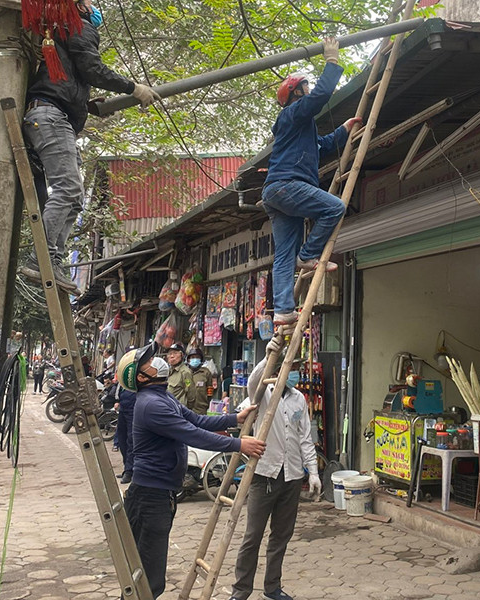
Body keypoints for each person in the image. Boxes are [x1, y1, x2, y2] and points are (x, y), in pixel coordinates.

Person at [19, 0, 161, 294]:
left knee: (75, 198)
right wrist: (134, 88)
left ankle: (52, 259)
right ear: (81, 8)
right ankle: (40, 259)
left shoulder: (60, 31)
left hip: (51, 114)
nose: (95, 7)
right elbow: (92, 68)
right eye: (91, 3)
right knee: (68, 189)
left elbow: (71, 75)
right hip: (51, 115)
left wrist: (85, 103)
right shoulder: (78, 25)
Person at [116, 342, 265, 599]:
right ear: (140, 377)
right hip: (149, 497)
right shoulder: (151, 404)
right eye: (148, 363)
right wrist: (238, 444)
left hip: (160, 494)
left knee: (147, 575)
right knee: (148, 579)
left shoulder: (163, 396)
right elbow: (192, 434)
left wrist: (233, 418)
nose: (157, 362)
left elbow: (196, 419)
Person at [263, 37, 362, 326]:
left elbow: (323, 145)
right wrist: (332, 61)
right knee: (334, 207)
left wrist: (344, 130)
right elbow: (320, 97)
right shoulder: (291, 114)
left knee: (284, 255)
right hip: (287, 186)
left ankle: (283, 311)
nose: (309, 90)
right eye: (305, 87)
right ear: (296, 93)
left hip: (276, 192)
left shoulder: (300, 128)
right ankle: (308, 255)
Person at [229, 336, 320, 600]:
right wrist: (269, 355)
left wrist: (313, 472)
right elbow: (254, 381)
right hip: (264, 475)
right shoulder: (264, 393)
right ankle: (241, 590)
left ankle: (272, 587)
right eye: (292, 368)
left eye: (297, 369)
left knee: (281, 536)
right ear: (281, 369)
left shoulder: (299, 399)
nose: (296, 373)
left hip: (292, 476)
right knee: (252, 536)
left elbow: (305, 438)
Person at [115, 385, 136, 484]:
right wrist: (117, 400)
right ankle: (126, 467)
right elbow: (120, 385)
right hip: (123, 407)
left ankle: (129, 471)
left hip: (133, 408)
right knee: (122, 439)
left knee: (131, 440)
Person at [182, 347, 212, 415]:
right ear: (188, 360)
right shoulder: (184, 372)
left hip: (201, 409)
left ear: (201, 359)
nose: (195, 359)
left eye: (197, 357)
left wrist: (207, 402)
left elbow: (210, 390)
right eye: (192, 357)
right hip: (185, 408)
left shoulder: (206, 372)